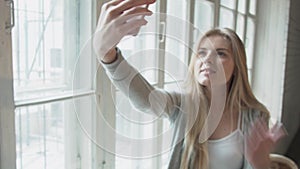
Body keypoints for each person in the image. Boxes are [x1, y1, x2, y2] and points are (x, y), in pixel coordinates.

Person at [93, 0, 286, 169]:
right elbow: (146, 99)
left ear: (237, 67)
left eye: (220, 53)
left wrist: (260, 164)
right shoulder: (182, 105)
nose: (207, 60)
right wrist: (109, 57)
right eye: (202, 53)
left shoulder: (255, 115)